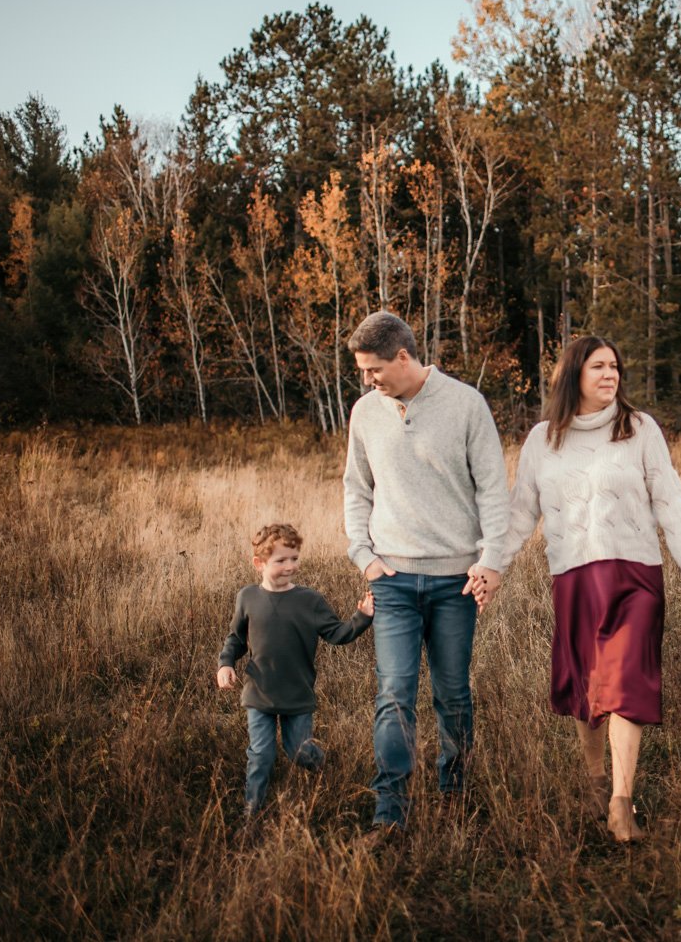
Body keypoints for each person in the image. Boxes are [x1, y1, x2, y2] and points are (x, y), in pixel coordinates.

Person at [486, 335, 681, 843]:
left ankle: (621, 801)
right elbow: (521, 513)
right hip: (575, 576)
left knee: (627, 682)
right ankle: (594, 781)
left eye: (615, 366)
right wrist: (491, 565)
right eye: (599, 367)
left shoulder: (639, 429)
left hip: (636, 577)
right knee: (587, 688)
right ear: (573, 376)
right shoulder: (544, 439)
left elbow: (671, 504)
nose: (610, 375)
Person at [343, 311, 509, 838]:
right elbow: (356, 489)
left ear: (403, 357)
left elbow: (493, 490)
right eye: (362, 371)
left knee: (452, 692)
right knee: (393, 692)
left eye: (373, 369)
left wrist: (491, 560)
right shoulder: (365, 412)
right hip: (390, 579)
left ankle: (454, 791)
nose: (368, 379)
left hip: (455, 580)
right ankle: (389, 810)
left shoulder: (465, 404)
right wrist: (363, 555)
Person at [216, 523, 374, 818]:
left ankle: (324, 769)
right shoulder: (247, 598)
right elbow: (236, 638)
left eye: (294, 558)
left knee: (300, 751)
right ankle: (252, 812)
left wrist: (362, 618)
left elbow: (337, 634)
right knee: (261, 755)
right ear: (259, 563)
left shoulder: (309, 601)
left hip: (297, 693)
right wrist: (225, 663)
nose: (290, 566)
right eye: (281, 560)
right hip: (259, 693)